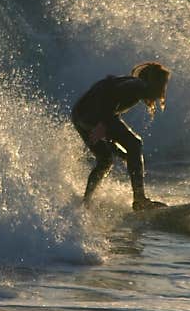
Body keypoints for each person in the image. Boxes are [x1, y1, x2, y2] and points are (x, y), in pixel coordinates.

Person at [71, 61, 170, 210]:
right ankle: (139, 199)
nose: (163, 89)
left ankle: (86, 203)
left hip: (81, 116)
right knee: (134, 144)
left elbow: (106, 94)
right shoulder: (138, 86)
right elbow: (105, 93)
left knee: (106, 160)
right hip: (92, 116)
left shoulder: (135, 84)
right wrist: (102, 125)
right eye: (162, 84)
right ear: (154, 82)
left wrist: (103, 128)